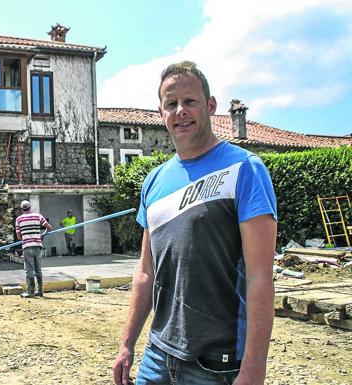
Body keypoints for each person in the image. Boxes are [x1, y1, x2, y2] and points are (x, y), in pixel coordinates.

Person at [113, 61, 277, 385]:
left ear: (211, 106)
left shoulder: (246, 169)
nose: (180, 111)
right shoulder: (154, 181)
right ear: (161, 113)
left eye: (190, 102)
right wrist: (126, 344)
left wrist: (254, 371)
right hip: (158, 356)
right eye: (171, 104)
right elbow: (146, 272)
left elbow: (260, 278)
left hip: (217, 364)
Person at [15, 200, 53, 298]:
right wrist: (42, 235)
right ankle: (39, 291)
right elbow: (49, 228)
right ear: (30, 207)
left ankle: (30, 291)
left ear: (22, 208)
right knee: (38, 269)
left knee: (29, 270)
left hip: (27, 246)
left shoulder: (19, 219)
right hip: (37, 246)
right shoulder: (38, 216)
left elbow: (19, 237)